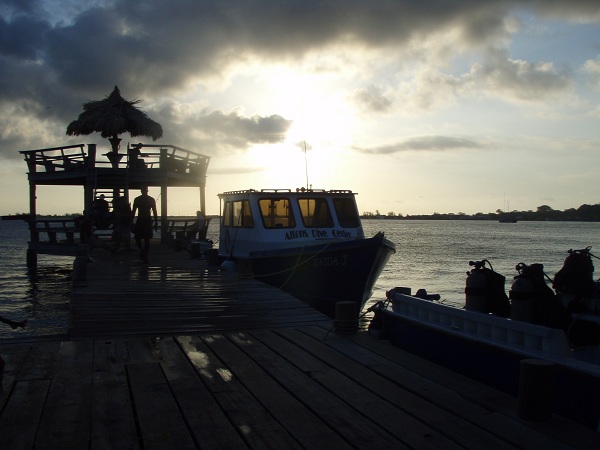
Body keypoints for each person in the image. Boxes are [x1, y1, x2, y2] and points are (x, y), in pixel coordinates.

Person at [132, 186, 158, 263]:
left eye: (145, 191)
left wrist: (156, 221)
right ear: (142, 191)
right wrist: (131, 220)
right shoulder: (137, 199)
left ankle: (145, 256)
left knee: (146, 239)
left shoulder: (151, 199)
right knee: (137, 239)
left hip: (147, 220)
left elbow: (154, 211)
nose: (144, 192)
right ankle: (142, 252)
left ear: (146, 191)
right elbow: (133, 211)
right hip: (141, 219)